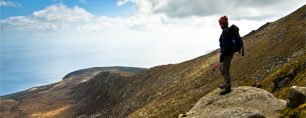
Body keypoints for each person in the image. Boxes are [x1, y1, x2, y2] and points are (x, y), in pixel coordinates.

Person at [218, 15, 233, 95]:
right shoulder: (226, 30)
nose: (219, 24)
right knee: (222, 69)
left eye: (220, 23)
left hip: (227, 54)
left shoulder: (226, 31)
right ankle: (225, 83)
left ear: (222, 23)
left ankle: (227, 87)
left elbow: (226, 45)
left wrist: (222, 55)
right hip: (227, 53)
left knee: (225, 70)